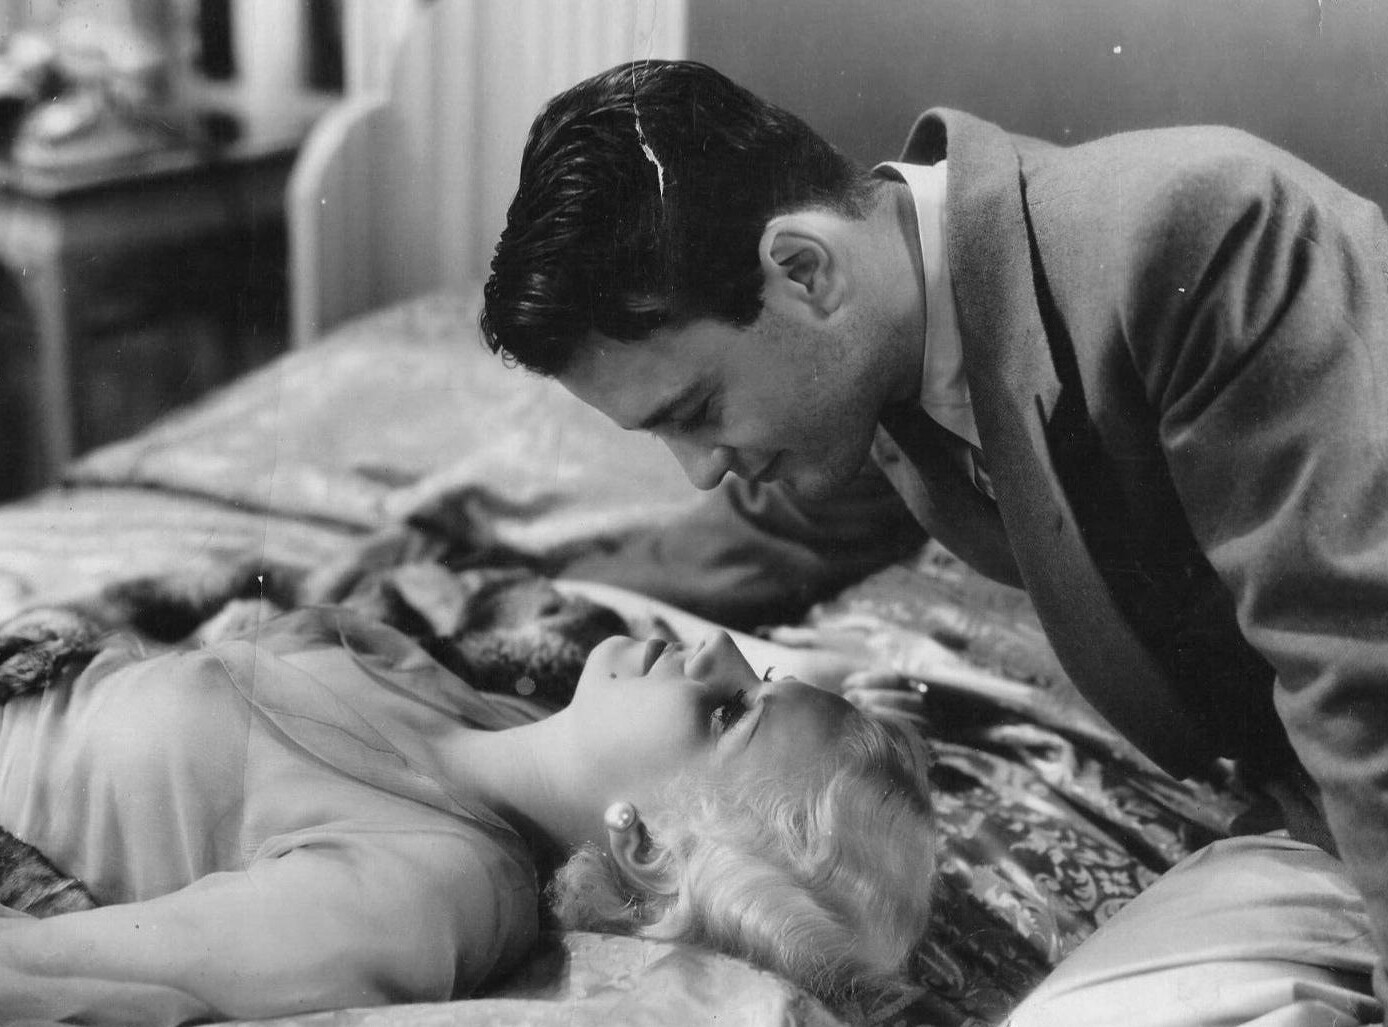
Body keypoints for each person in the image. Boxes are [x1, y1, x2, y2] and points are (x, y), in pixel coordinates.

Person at [481, 59, 1388, 1023]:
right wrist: (511, 590)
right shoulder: (890, 344)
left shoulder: (1197, 233)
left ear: (804, 271)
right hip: (1308, 816)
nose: (698, 470)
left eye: (698, 410)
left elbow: (1363, 664)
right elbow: (781, 532)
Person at [0, 603, 936, 1024]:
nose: (716, 644)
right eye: (758, 673)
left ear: (649, 841)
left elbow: (59, 963)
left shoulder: (436, 887)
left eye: (728, 712)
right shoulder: (503, 713)